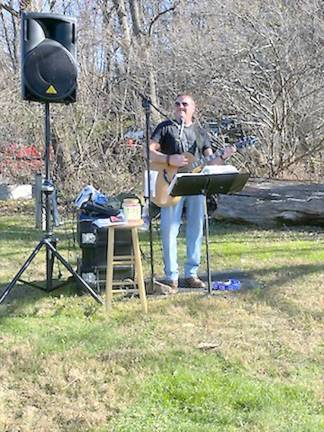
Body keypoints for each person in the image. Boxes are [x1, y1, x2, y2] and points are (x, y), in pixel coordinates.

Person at [149, 94, 236, 291]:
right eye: (177, 103)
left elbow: (210, 160)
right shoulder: (165, 127)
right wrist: (169, 159)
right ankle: (171, 275)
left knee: (196, 227)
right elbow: (148, 152)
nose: (181, 107)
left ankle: (191, 274)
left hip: (196, 184)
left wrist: (223, 155)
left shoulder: (199, 131)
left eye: (185, 104)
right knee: (169, 229)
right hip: (170, 183)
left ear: (193, 108)